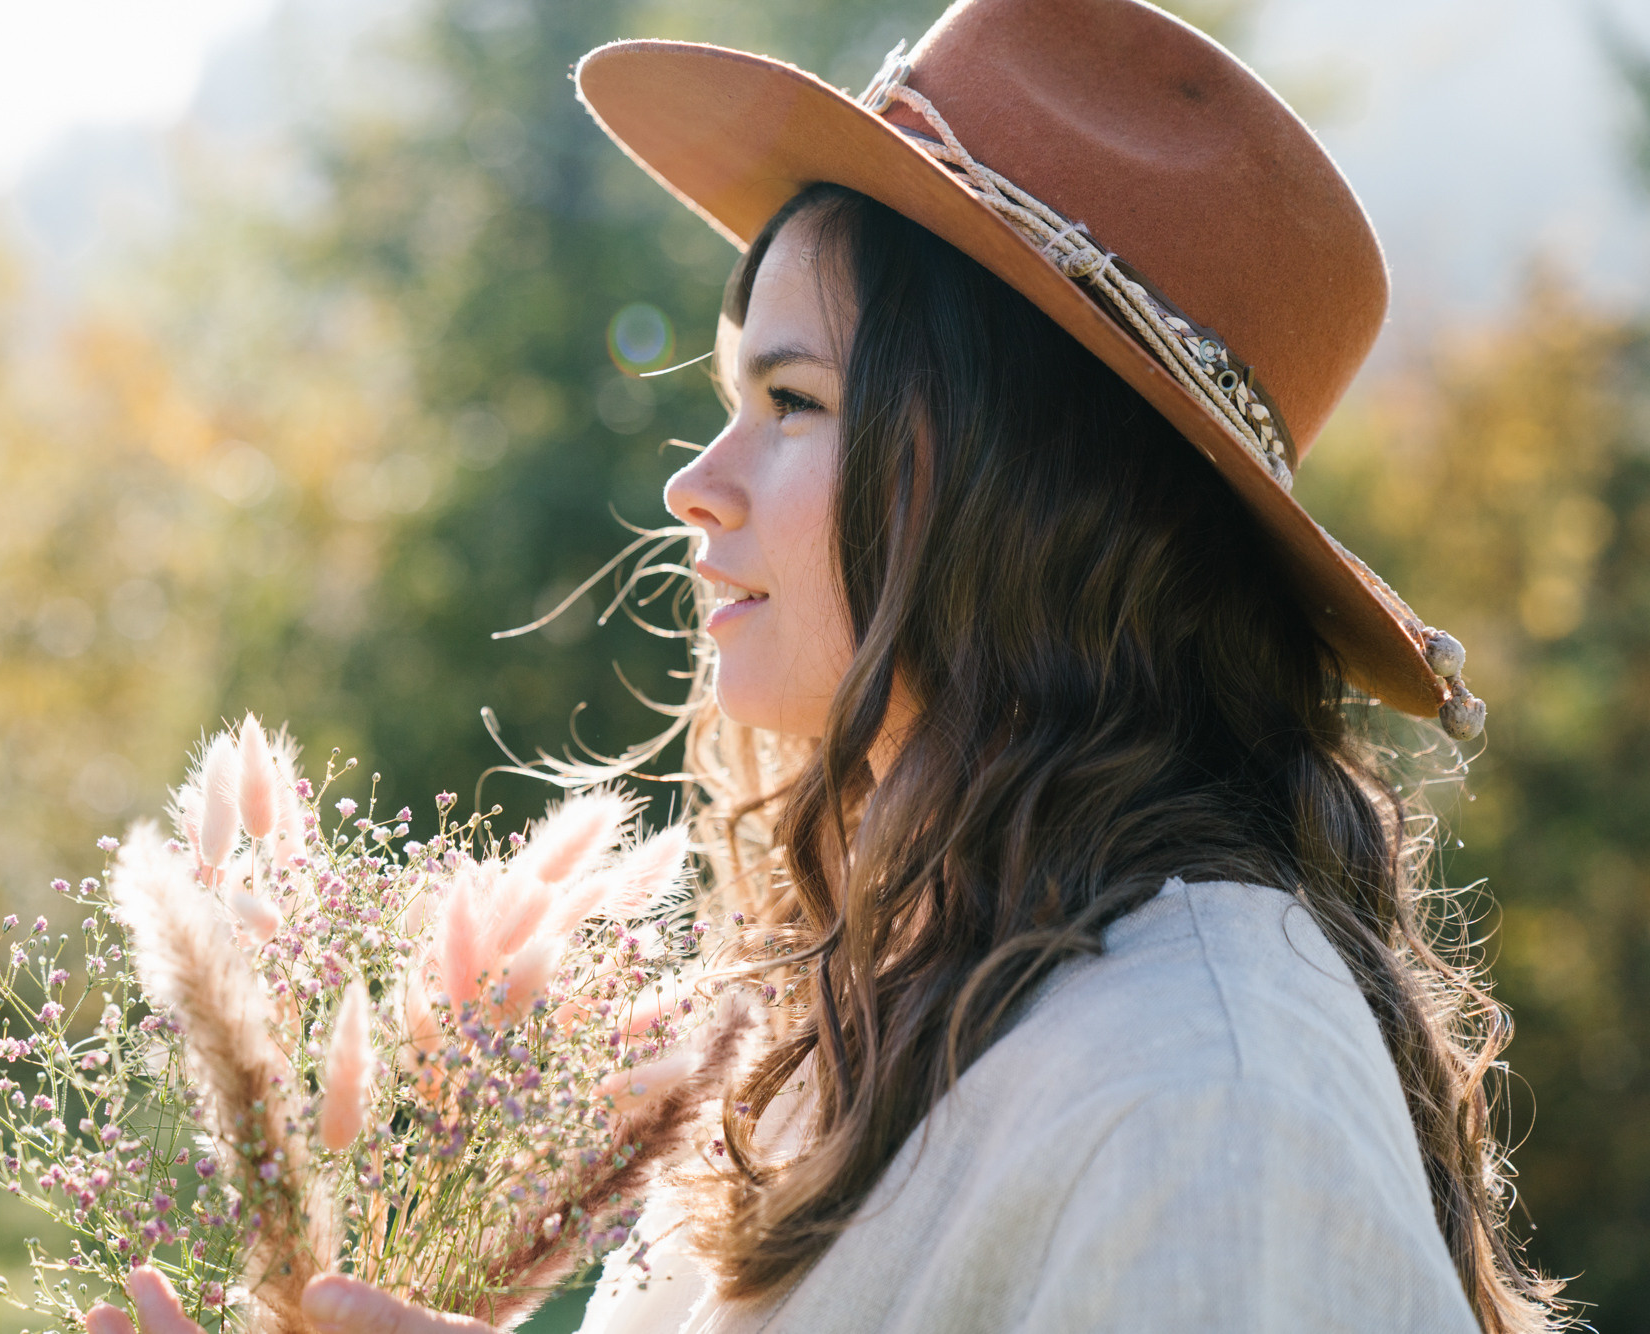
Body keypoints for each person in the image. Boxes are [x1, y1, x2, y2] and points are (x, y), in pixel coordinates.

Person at [90, 1, 1564, 1330]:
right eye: (733, 398)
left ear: (1024, 483)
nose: (695, 484)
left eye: (792, 400)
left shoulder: (1206, 1092)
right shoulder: (869, 1004)